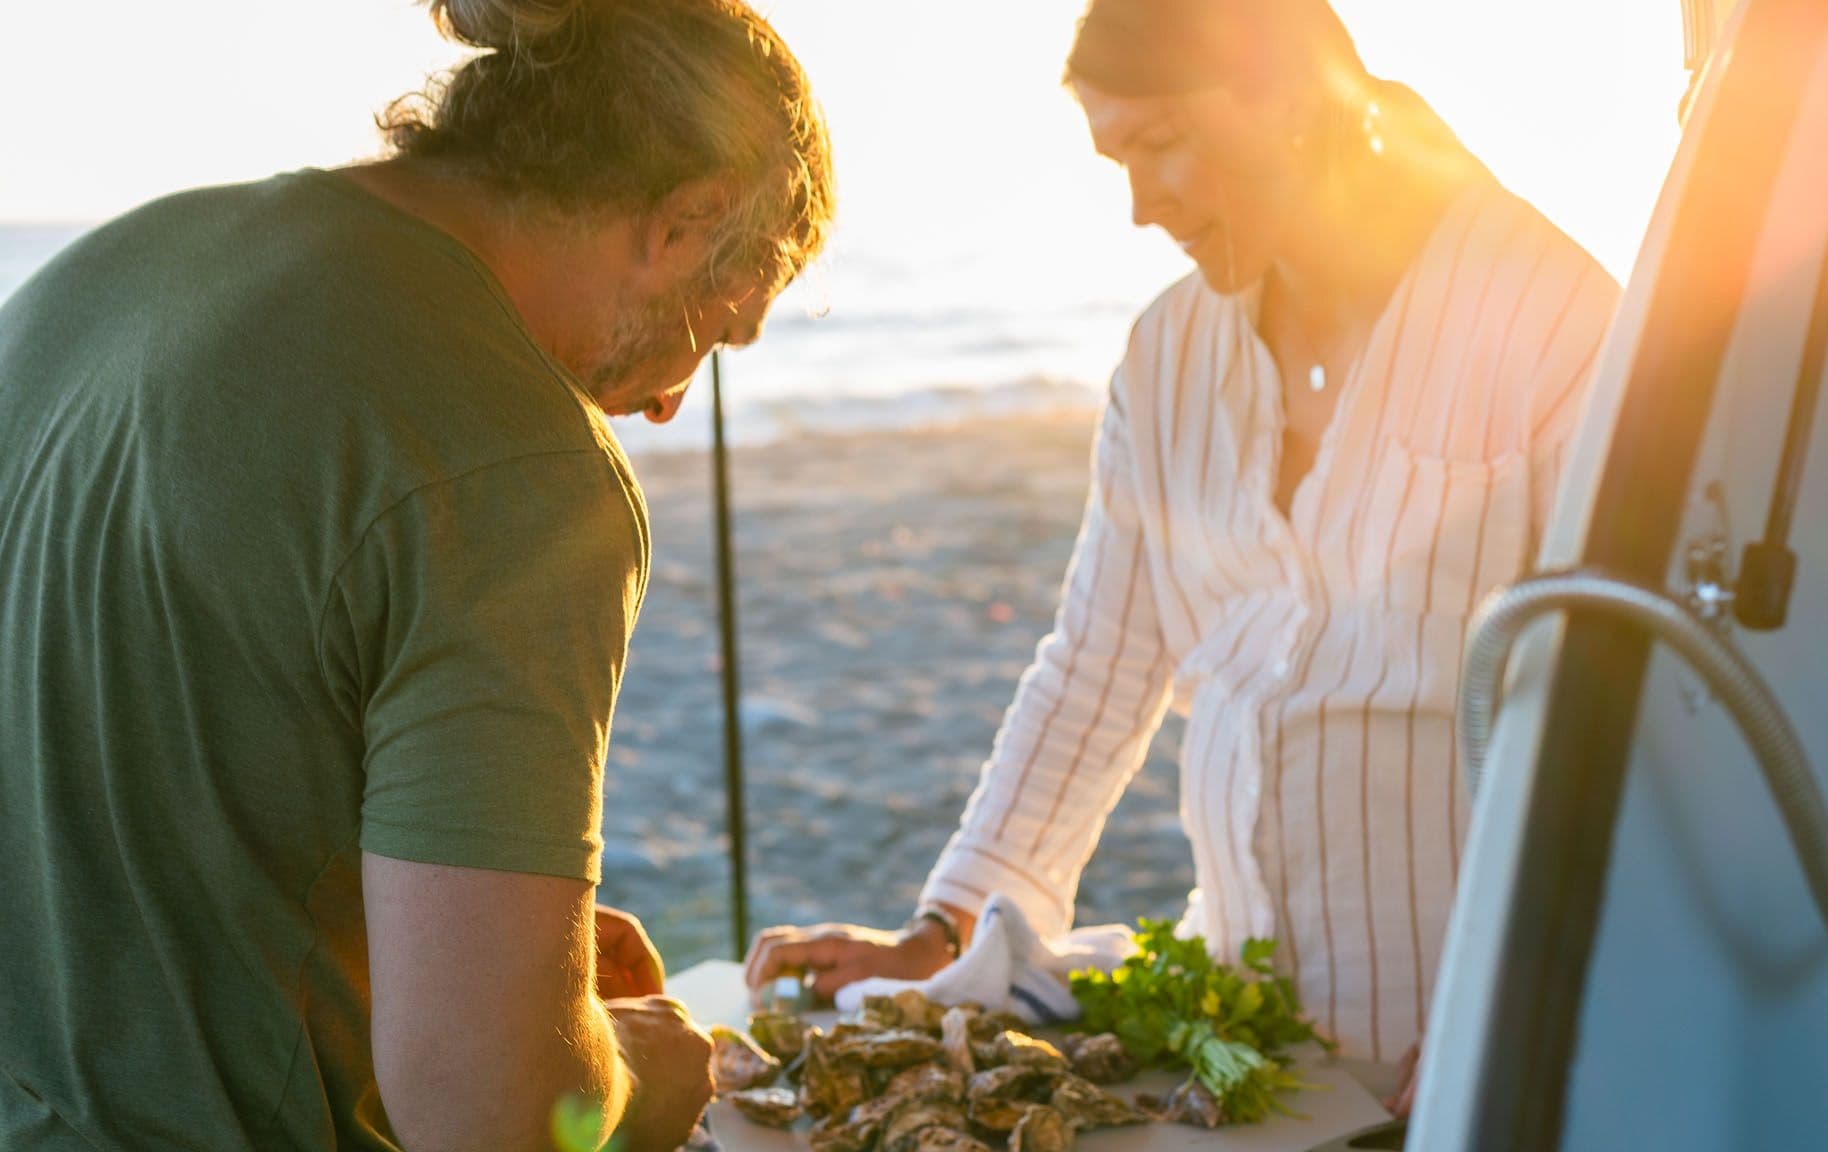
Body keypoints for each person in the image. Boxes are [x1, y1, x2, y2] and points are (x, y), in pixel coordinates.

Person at [745, 0, 1616, 1118]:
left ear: (1295, 103)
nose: (1139, 204)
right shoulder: (1167, 356)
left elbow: (1605, 719)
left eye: (1161, 146)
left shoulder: (1553, 324)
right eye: (1119, 159)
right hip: (1244, 1041)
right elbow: (1094, 670)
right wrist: (945, 928)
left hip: (1473, 1039)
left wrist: (1497, 1001)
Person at [0, 0, 831, 1148]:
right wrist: (630, 1070)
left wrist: (500, 949)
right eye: (714, 330)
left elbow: (143, 794)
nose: (667, 401)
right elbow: (491, 1114)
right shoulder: (517, 462)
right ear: (686, 221)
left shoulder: (105, 274)